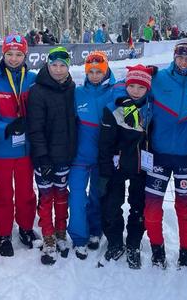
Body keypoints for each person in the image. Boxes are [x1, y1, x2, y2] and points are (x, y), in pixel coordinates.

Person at [144, 39, 187, 268]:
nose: (184, 62)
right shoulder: (159, 78)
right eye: (180, 57)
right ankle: (157, 249)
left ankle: (186, 250)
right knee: (152, 206)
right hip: (159, 154)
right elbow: (131, 86)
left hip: (186, 156)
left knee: (184, 207)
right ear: (174, 57)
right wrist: (143, 73)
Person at [0, 35, 39, 257]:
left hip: (26, 149)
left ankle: (25, 227)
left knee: (26, 192)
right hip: (3, 150)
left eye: (18, 54)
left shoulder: (33, 80)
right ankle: (4, 233)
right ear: (3, 55)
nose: (14, 59)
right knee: (4, 193)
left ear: (25, 55)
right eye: (9, 54)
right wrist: (6, 128)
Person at [97, 65, 153, 269]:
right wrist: (104, 171)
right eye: (132, 86)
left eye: (141, 87)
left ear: (148, 89)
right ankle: (114, 243)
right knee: (111, 206)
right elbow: (104, 144)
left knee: (139, 207)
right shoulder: (113, 108)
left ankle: (133, 244)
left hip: (142, 167)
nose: (136, 90)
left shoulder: (152, 107)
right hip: (117, 166)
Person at [27, 46, 76, 265]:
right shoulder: (37, 90)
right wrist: (42, 157)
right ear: (48, 65)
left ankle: (61, 231)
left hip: (64, 155)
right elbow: (34, 128)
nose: (58, 70)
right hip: (44, 157)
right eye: (54, 65)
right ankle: (47, 235)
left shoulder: (72, 87)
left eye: (62, 65)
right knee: (46, 197)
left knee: (62, 196)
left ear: (68, 67)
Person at [68, 51, 116, 260]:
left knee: (97, 197)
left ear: (106, 71)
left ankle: (95, 231)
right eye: (91, 72)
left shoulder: (115, 91)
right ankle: (79, 237)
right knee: (77, 197)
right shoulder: (77, 93)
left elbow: (138, 89)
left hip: (102, 158)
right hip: (79, 157)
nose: (95, 75)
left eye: (99, 71)